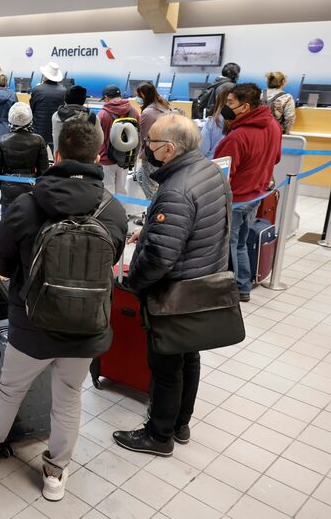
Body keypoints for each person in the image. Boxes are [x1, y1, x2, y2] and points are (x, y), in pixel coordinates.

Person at [0, 119, 127, 500]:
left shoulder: (27, 205)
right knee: (69, 396)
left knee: (9, 390)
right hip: (87, 326)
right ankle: (55, 474)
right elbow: (112, 257)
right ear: (98, 155)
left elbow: (1, 264)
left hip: (31, 322)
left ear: (56, 154)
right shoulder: (113, 210)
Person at [113, 114, 230, 456]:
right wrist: (149, 228)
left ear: (168, 148)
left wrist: (134, 283)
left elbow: (161, 257)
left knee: (165, 366)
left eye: (149, 142)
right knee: (188, 355)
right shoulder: (210, 172)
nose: (145, 147)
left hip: (175, 290)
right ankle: (180, 423)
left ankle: (159, 435)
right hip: (202, 282)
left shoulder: (176, 189)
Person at [214, 83, 282, 301]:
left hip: (235, 200)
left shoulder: (237, 137)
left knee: (228, 245)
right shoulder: (273, 125)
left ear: (244, 107)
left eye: (230, 103)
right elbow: (277, 158)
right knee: (241, 243)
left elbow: (221, 177)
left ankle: (228, 289)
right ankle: (243, 287)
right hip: (256, 196)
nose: (226, 106)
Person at [0, 102, 48, 213]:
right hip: (31, 190)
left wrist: (4, 185)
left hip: (8, 192)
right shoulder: (38, 140)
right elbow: (44, 171)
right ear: (30, 119)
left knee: (7, 226)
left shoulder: (2, 140)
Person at [97, 84, 140, 199]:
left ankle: (108, 216)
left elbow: (98, 137)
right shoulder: (134, 111)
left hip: (106, 158)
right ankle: (122, 214)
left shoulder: (102, 114)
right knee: (121, 189)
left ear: (106, 98)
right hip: (126, 157)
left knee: (107, 190)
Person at [134, 82, 174, 199]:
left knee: (150, 187)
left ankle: (154, 211)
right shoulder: (165, 106)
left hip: (151, 153)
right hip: (165, 151)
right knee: (141, 177)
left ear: (143, 94)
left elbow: (143, 135)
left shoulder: (148, 112)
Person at [51, 85, 102, 158]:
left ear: (65, 99)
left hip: (61, 160)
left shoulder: (56, 116)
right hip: (85, 161)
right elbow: (100, 140)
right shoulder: (92, 117)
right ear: (83, 100)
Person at [31, 61, 68, 148]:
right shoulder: (64, 91)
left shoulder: (37, 90)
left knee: (37, 158)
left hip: (38, 131)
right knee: (57, 158)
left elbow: (32, 109)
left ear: (46, 75)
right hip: (56, 129)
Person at [198, 82, 235, 158]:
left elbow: (202, 151)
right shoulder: (242, 122)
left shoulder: (211, 123)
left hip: (213, 165)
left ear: (218, 98)